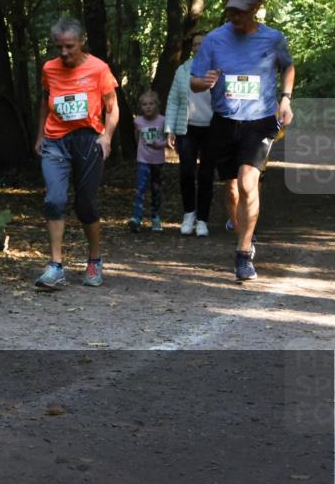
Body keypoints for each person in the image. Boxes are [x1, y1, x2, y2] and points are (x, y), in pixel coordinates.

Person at [191, 0, 295, 282]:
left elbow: (288, 67)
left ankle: (243, 252)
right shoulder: (214, 40)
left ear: (255, 9)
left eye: (240, 11)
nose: (234, 16)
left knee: (249, 183)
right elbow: (194, 82)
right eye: (230, 11)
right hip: (224, 121)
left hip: (259, 120)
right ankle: (244, 236)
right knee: (232, 189)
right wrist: (205, 82)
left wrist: (286, 99)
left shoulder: (273, 38)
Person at [34, 18, 120, 289]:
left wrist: (106, 137)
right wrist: (40, 136)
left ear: (81, 42)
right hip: (55, 141)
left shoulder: (99, 69)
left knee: (86, 205)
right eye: (59, 47)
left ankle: (94, 260)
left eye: (69, 46)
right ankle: (55, 266)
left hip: (87, 139)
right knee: (54, 200)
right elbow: (45, 103)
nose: (64, 52)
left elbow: (112, 108)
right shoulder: (49, 68)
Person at [164, 32, 215, 236]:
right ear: (192, 48)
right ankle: (189, 214)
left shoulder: (217, 69)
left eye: (202, 43)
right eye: (195, 44)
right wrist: (169, 129)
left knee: (206, 175)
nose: (198, 47)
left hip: (211, 129)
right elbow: (173, 100)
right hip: (187, 128)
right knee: (186, 172)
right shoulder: (183, 71)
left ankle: (202, 220)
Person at [128, 90, 166, 233]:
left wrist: (159, 144)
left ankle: (155, 217)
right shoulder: (137, 121)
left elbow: (169, 140)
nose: (148, 107)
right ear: (141, 107)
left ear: (157, 105)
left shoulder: (163, 120)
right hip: (143, 160)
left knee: (156, 190)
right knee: (141, 189)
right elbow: (137, 138)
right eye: (144, 104)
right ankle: (136, 218)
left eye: (151, 104)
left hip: (158, 161)